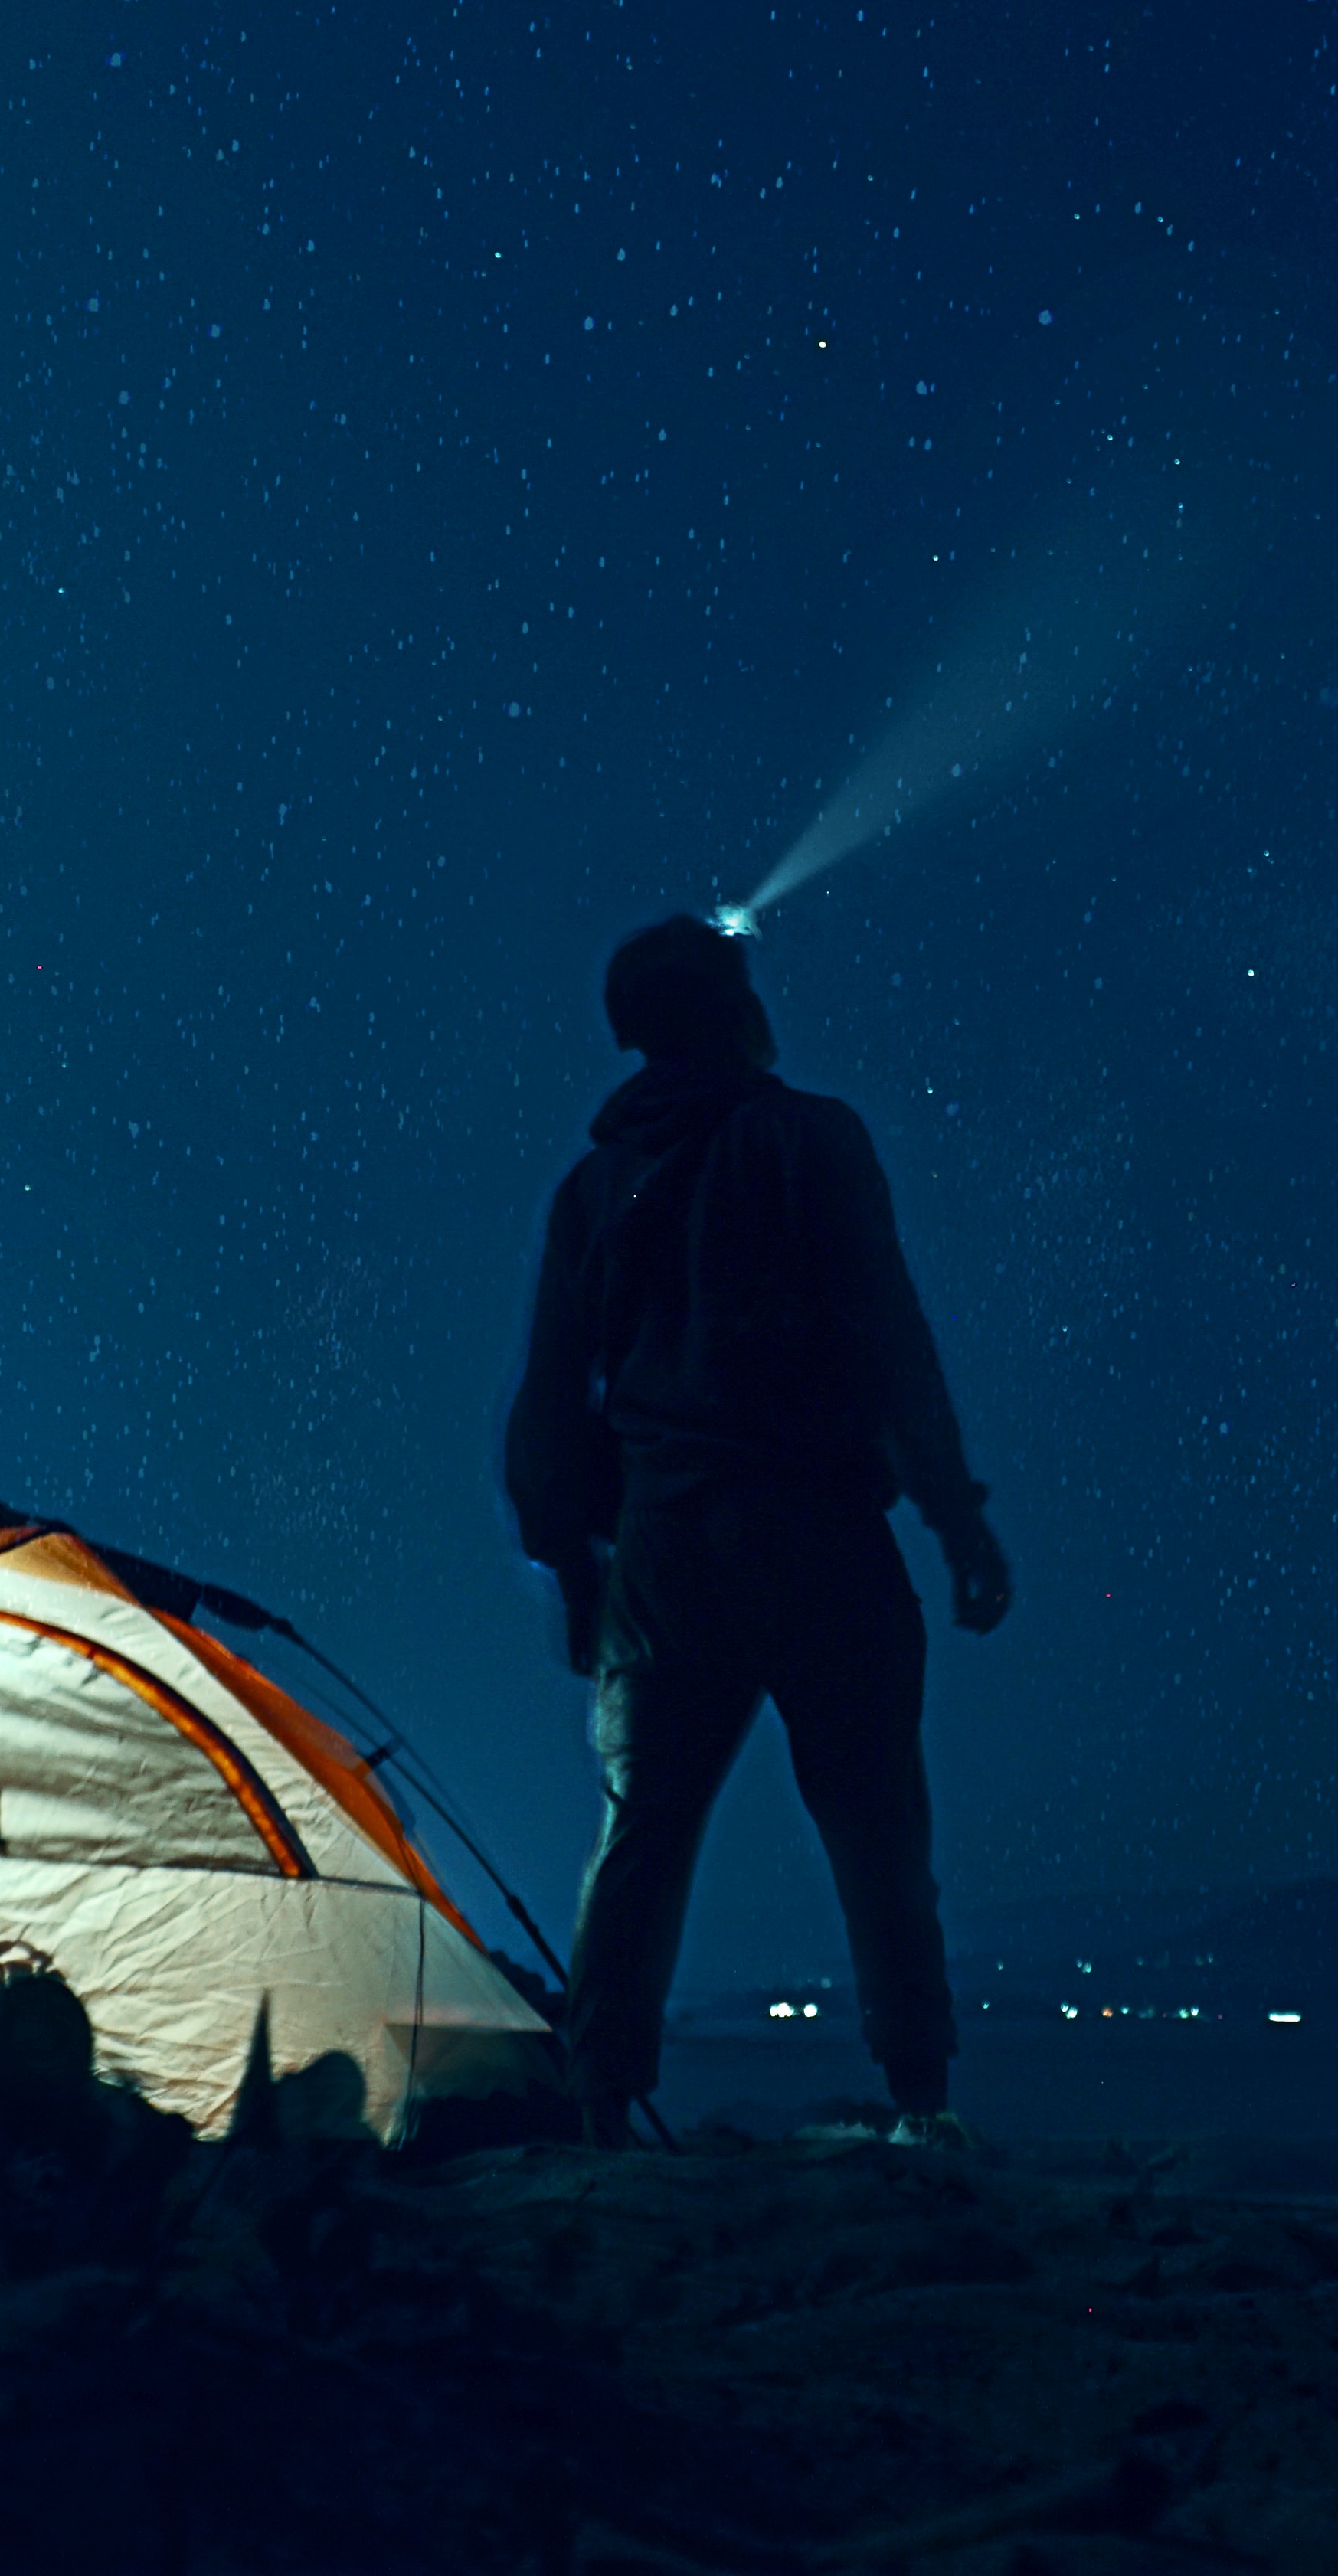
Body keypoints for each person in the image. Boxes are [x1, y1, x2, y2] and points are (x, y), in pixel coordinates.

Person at [504, 913, 1010, 2143]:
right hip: (819, 1531)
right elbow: (891, 1334)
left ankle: (600, 2100)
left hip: (663, 1552)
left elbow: (551, 1394)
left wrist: (574, 1566)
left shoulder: (593, 1187)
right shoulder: (812, 1141)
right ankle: (919, 2101)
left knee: (642, 1834)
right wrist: (955, 1518)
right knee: (876, 1821)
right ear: (733, 1009)